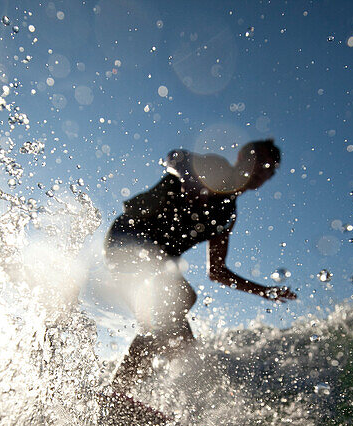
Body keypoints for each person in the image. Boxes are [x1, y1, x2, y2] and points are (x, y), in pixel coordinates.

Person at [104, 139, 296, 404]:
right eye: (259, 162)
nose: (262, 171)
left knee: (184, 347)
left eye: (269, 170)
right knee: (180, 298)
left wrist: (264, 291)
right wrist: (188, 177)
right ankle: (118, 392)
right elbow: (174, 156)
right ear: (242, 157)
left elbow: (217, 272)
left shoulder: (227, 215)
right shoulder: (215, 167)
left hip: (156, 262)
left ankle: (170, 409)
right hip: (129, 237)